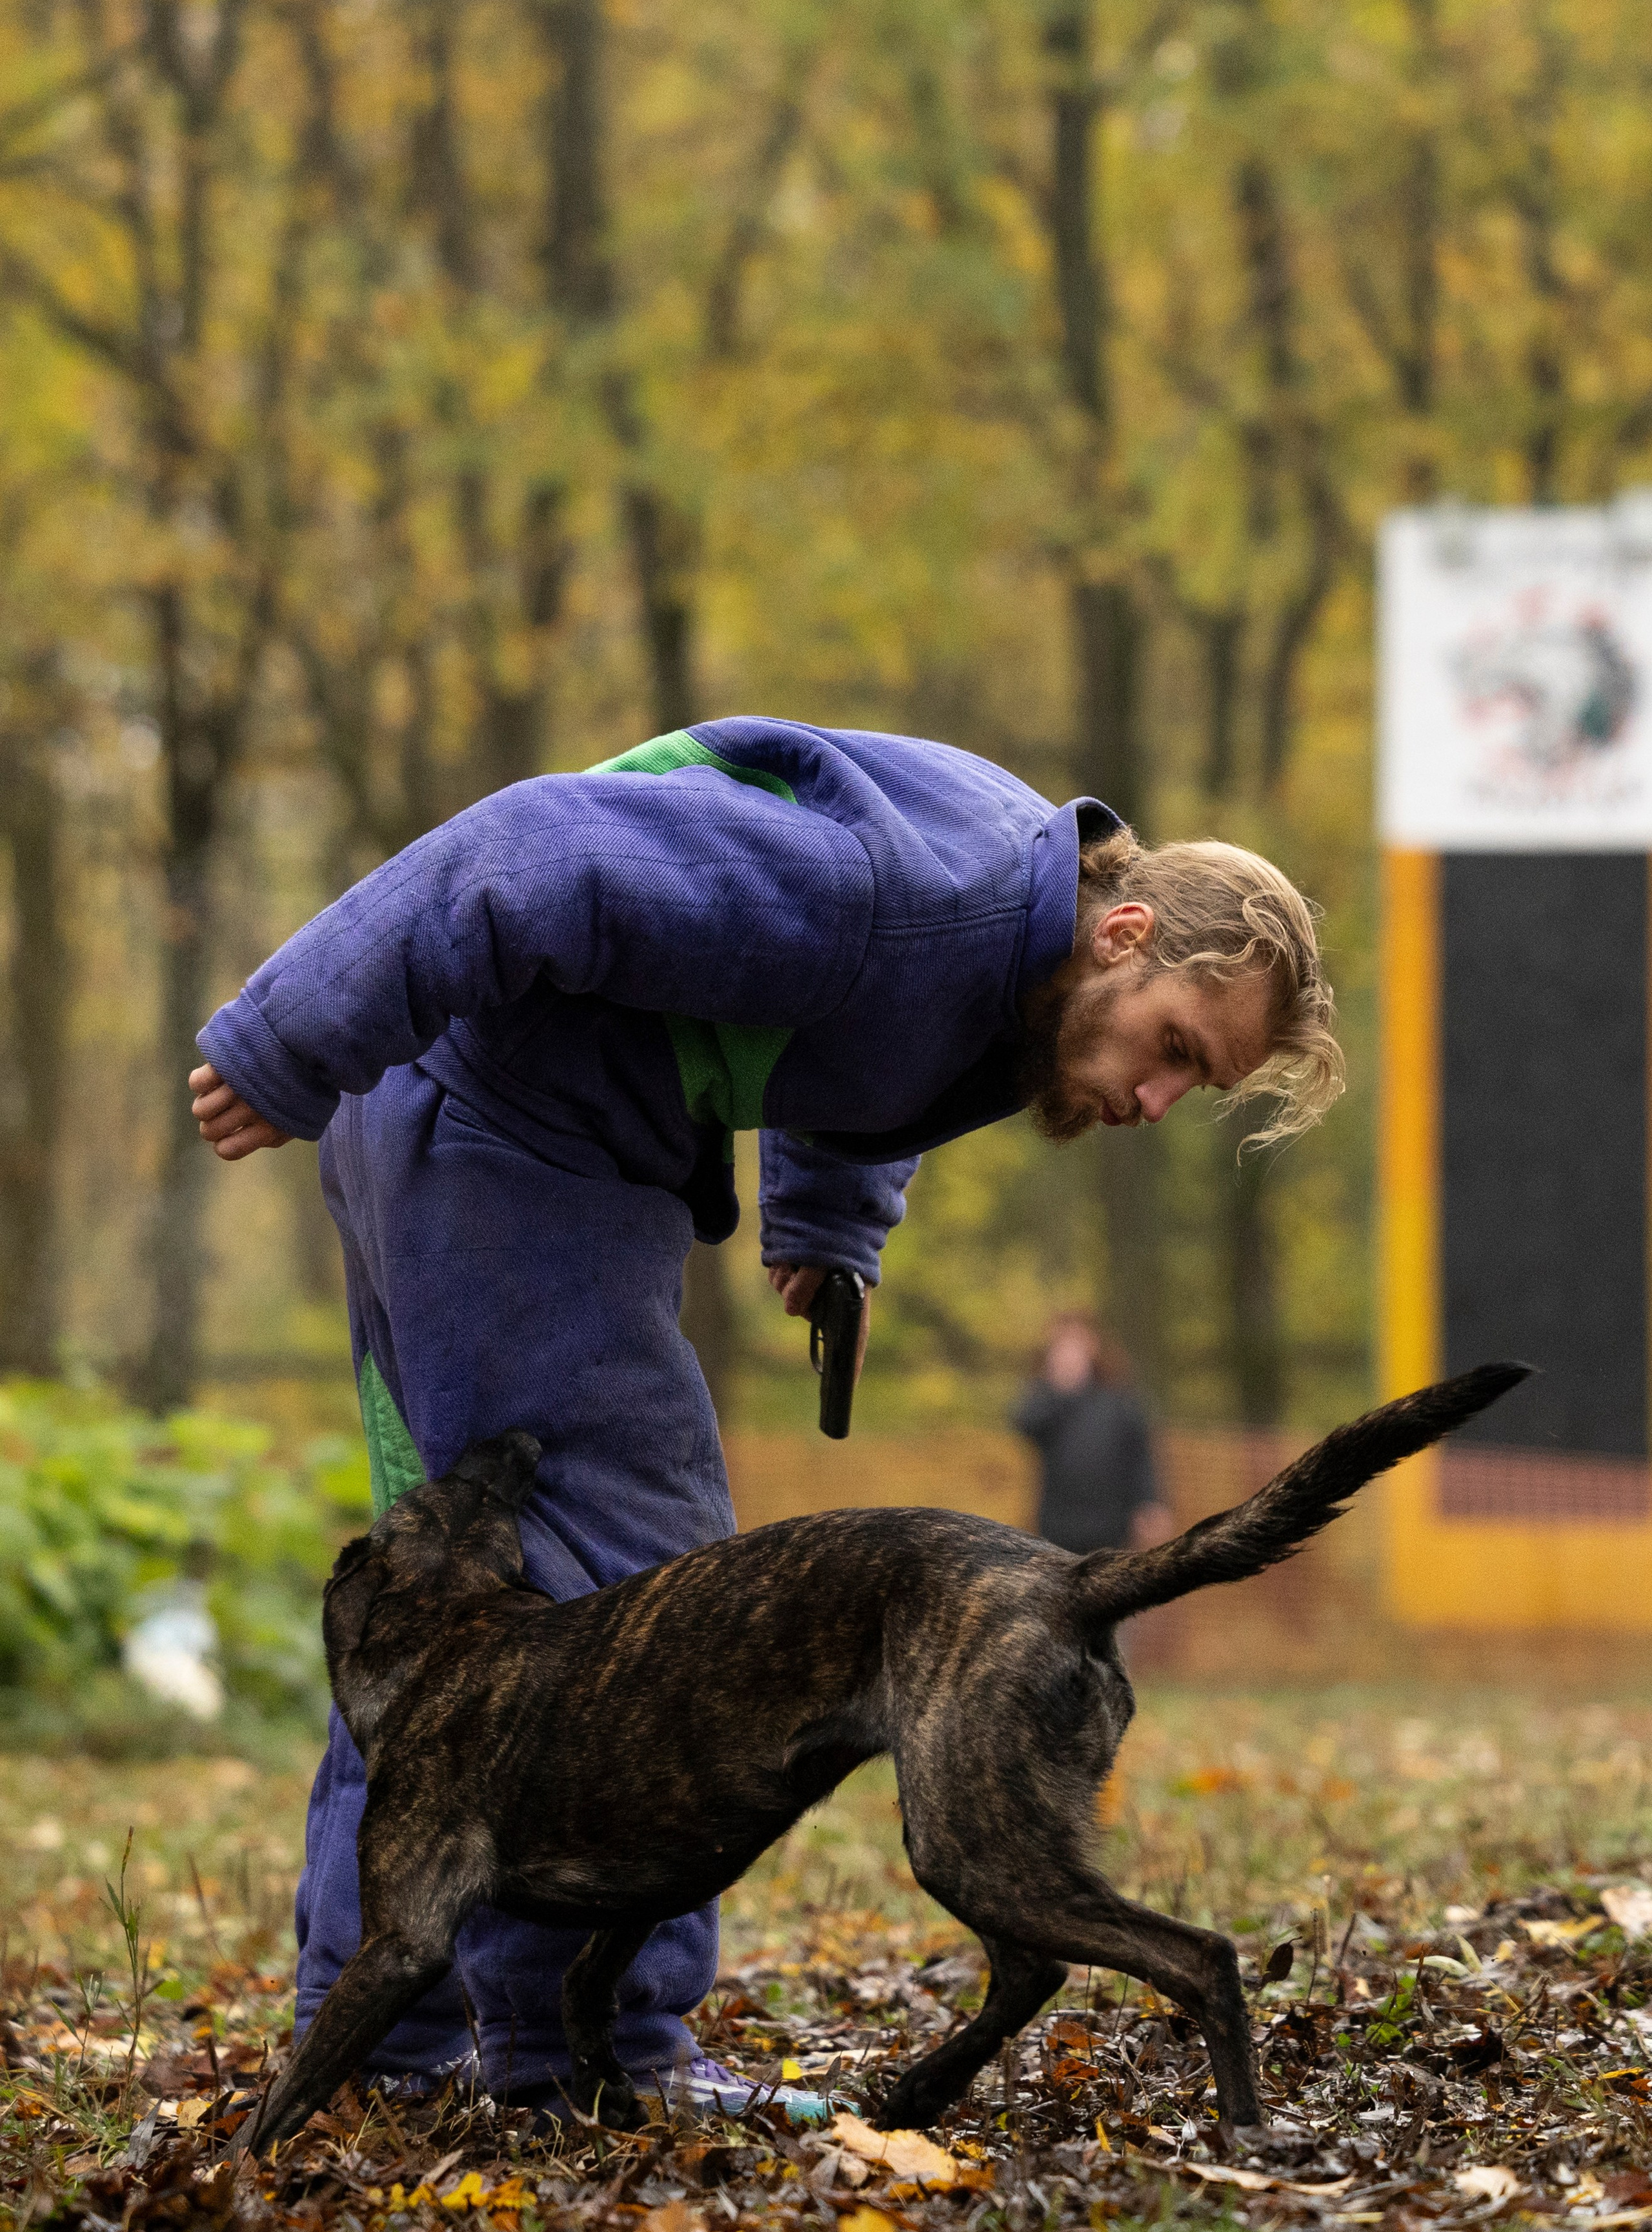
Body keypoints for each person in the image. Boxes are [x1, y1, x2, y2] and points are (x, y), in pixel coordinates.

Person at [188, 713, 1343, 2116]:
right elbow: (529, 850)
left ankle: (386, 2058)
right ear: (1127, 934)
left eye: (1192, 1086)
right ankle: (594, 2057)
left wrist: (830, 1218)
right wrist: (287, 1038)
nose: (1155, 1100)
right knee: (651, 1594)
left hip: (551, 1139)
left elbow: (858, 1044)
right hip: (484, 1127)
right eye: (1171, 1049)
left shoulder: (1023, 949)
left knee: (450, 1631)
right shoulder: (902, 903)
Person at [1014, 1314, 1174, 1556]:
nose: (1069, 1354)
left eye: (1076, 1345)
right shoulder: (1046, 1398)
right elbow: (1025, 1424)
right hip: (1057, 1528)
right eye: (1062, 1347)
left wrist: (1151, 1501)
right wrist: (1058, 1389)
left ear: (1092, 1347)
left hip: (1112, 1528)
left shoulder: (1119, 1400)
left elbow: (1140, 1456)